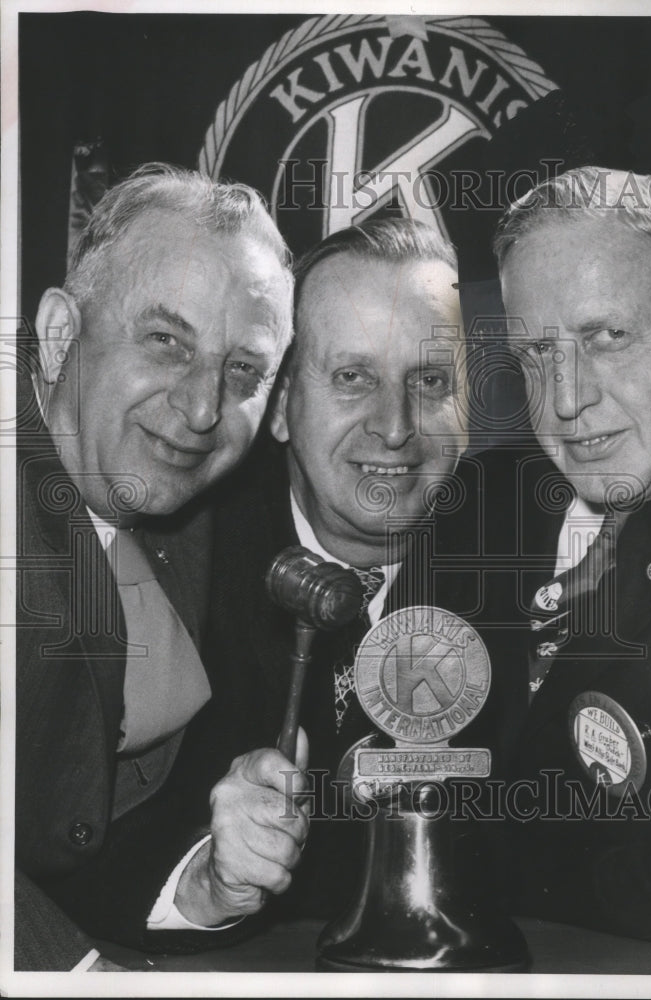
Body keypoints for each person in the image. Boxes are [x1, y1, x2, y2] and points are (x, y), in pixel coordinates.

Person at [436, 166, 651, 949]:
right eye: (535, 355)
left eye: (606, 338)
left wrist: (482, 861)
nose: (563, 400)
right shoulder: (480, 502)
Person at [15, 164, 307, 970]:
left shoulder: (184, 500)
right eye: (165, 342)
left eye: (242, 370)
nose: (203, 409)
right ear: (58, 334)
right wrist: (68, 976)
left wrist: (206, 885)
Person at [204, 217, 469, 914]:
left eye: (430, 380)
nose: (394, 426)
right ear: (283, 403)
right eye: (353, 377)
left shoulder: (532, 565)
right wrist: (206, 874)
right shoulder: (185, 564)